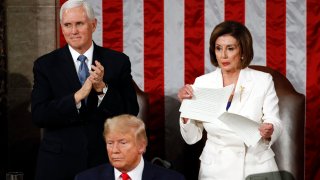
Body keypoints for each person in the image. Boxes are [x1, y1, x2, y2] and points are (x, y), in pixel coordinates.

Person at [31, 0, 139, 180]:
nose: (73, 31)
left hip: (103, 160)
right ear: (62, 27)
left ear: (93, 24)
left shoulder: (117, 62)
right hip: (58, 162)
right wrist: (77, 97)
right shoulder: (45, 65)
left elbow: (130, 112)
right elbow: (39, 115)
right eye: (67, 25)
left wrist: (102, 89)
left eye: (79, 24)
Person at [177, 21, 282, 180]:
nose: (223, 55)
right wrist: (186, 110)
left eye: (230, 48)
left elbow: (274, 120)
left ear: (243, 51)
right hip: (215, 169)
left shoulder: (263, 80)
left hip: (256, 165)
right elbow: (192, 138)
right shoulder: (202, 83)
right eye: (219, 48)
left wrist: (270, 130)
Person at [74, 114, 186, 180]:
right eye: (110, 143)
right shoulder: (85, 178)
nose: (114, 150)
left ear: (141, 146)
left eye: (122, 143)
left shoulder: (172, 179)